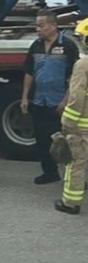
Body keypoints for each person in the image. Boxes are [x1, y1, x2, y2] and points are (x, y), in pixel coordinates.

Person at [20, 9, 79, 184]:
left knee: (68, 143)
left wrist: (66, 100)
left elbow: (75, 77)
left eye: (41, 25)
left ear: (54, 25)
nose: (38, 29)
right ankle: (50, 172)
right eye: (36, 25)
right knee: (42, 140)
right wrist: (24, 97)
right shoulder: (36, 46)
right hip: (40, 101)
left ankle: (74, 176)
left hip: (59, 103)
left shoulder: (68, 46)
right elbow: (29, 73)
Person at [54, 17, 88, 215]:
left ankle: (70, 203)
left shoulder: (83, 66)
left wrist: (67, 122)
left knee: (75, 163)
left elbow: (75, 97)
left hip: (81, 126)